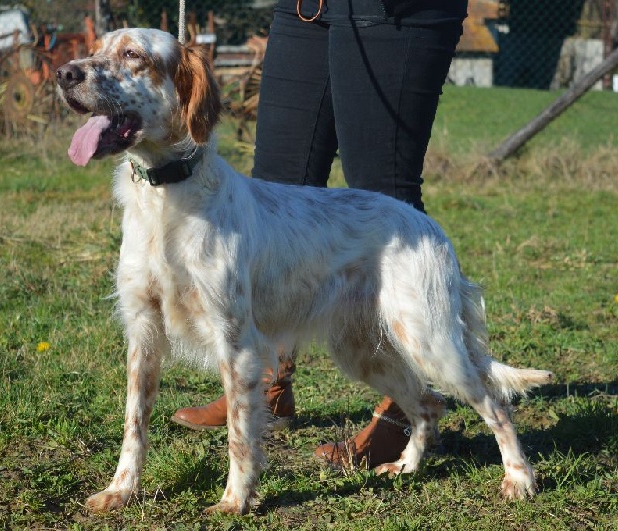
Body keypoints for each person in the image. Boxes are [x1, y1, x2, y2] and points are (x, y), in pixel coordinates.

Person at [172, 0, 467, 469]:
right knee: (278, 184)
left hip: (396, 10)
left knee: (381, 188)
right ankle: (267, 382)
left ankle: (404, 409)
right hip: (306, 7)